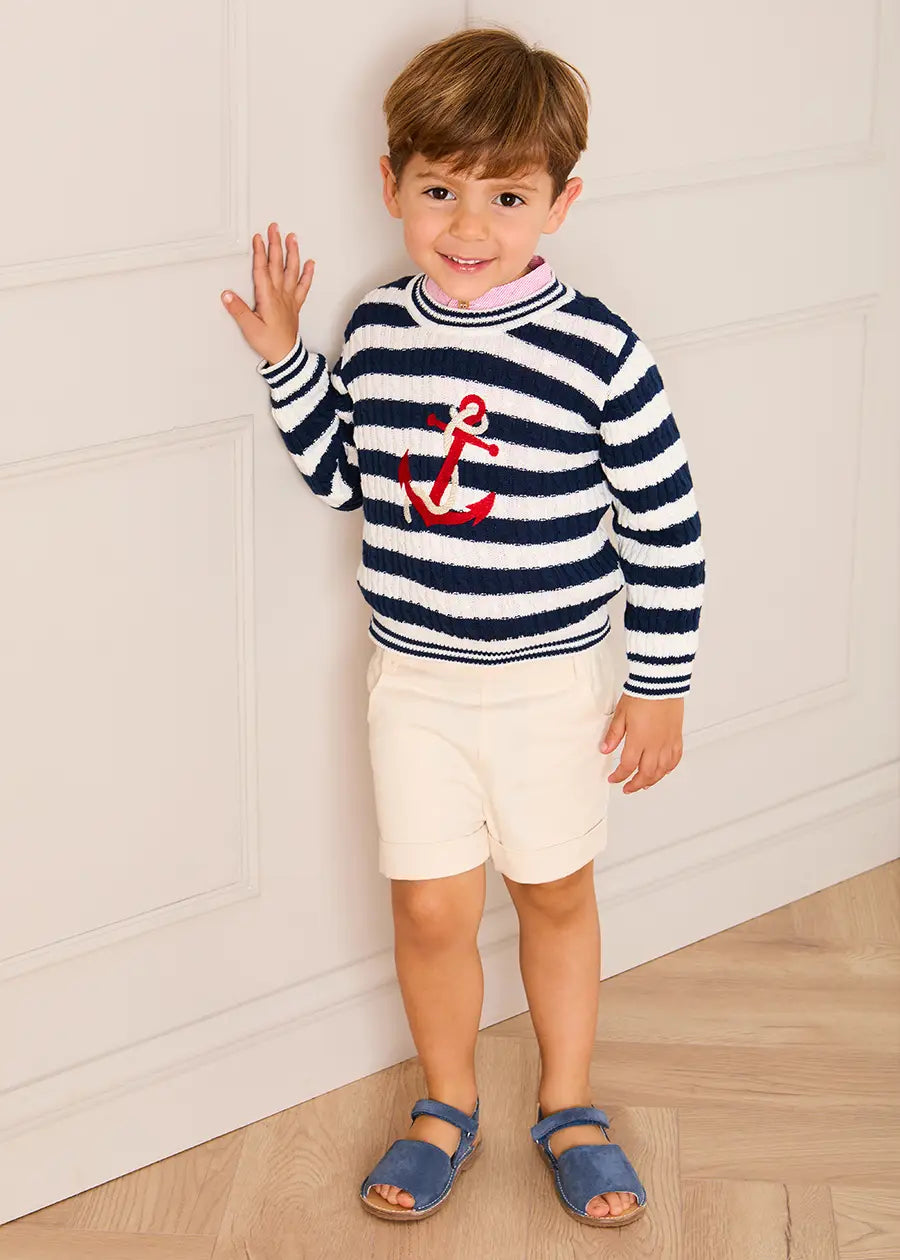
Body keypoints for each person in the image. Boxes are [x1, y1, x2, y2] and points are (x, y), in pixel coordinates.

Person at [221, 24, 705, 1229]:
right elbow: (345, 478)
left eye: (507, 196)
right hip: (417, 686)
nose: (470, 226)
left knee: (553, 892)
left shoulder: (599, 353)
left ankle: (570, 1104)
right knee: (430, 908)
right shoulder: (378, 330)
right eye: (440, 190)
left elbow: (665, 525)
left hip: (550, 689)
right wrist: (288, 362)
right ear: (391, 185)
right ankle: (447, 1101)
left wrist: (659, 683)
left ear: (560, 204)